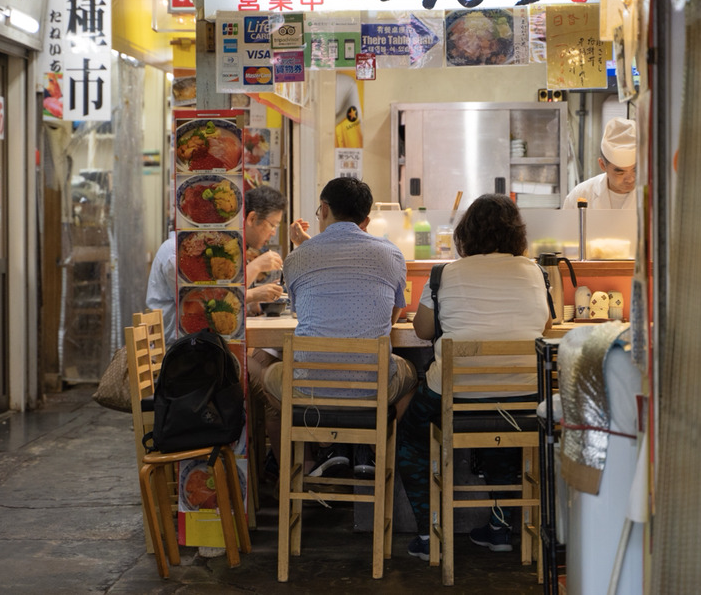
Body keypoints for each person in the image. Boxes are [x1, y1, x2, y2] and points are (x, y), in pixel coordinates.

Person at [396, 194, 552, 561]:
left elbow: (421, 330)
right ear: (517, 235)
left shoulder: (444, 274)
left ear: (466, 233)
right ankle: (499, 529)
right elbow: (545, 324)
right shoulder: (535, 271)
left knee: (409, 439)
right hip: (523, 395)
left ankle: (427, 533)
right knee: (505, 429)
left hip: (456, 393)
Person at [256, 177, 419, 476]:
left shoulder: (297, 256)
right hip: (373, 388)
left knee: (268, 375)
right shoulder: (391, 253)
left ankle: (308, 465)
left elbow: (302, 307)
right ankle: (375, 456)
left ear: (324, 208)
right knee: (411, 378)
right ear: (366, 221)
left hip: (311, 388)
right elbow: (394, 314)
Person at [145, 185, 309, 345]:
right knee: (271, 368)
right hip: (182, 351)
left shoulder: (220, 249)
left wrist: (256, 301)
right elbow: (208, 305)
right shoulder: (177, 253)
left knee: (271, 361)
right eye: (272, 225)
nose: (273, 232)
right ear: (251, 219)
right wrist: (255, 271)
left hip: (211, 345)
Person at [562, 117, 637, 210]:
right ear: (602, 165)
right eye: (620, 172)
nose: (630, 179)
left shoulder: (654, 196)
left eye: (635, 170)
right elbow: (565, 224)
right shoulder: (581, 195)